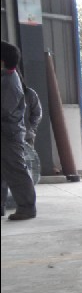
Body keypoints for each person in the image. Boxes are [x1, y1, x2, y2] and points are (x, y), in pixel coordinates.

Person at [1, 41, 37, 220]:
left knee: (16, 172)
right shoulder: (6, 78)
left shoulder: (9, 82)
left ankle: (27, 208)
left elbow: (5, 110)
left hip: (9, 134)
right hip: (6, 133)